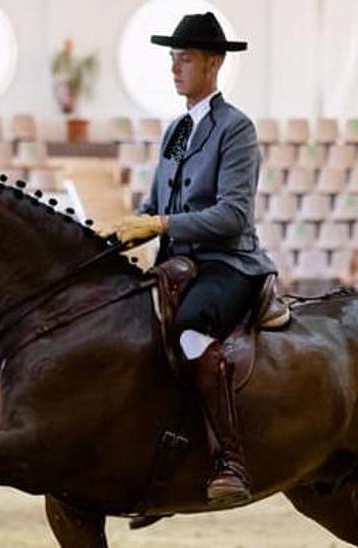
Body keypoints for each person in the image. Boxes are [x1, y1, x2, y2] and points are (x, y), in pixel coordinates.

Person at [101, 12, 271, 506]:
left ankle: (231, 461)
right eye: (173, 58)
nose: (175, 68)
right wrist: (117, 234)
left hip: (228, 264)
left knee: (191, 331)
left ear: (214, 64)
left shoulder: (236, 129)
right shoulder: (176, 129)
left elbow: (233, 215)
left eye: (186, 58)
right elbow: (155, 207)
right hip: (175, 264)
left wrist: (163, 226)